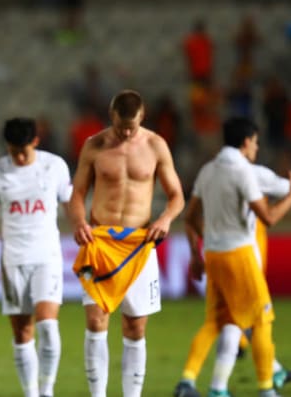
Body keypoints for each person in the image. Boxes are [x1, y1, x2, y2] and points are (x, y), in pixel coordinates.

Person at [68, 89, 185, 397]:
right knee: (96, 321)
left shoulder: (156, 145)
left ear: (142, 117)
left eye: (130, 127)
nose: (125, 133)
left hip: (139, 243)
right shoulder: (93, 145)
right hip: (101, 242)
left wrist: (165, 220)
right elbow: (77, 194)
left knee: (135, 326)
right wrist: (79, 222)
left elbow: (177, 196)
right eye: (121, 126)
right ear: (112, 115)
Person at [176, 117, 291, 397]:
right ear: (246, 142)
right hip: (239, 255)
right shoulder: (244, 172)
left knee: (216, 322)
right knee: (262, 320)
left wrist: (199, 252)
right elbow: (267, 218)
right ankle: (267, 389)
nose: (256, 147)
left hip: (213, 254)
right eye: (255, 142)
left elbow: (191, 215)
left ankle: (193, 382)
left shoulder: (207, 170)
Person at [0, 118, 72, 397]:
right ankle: (30, 393)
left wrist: (83, 232)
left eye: (23, 151)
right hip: (13, 259)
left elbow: (70, 205)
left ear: (35, 142)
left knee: (47, 323)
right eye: (13, 151)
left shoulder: (54, 166)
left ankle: (47, 390)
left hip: (47, 256)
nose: (18, 157)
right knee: (22, 333)